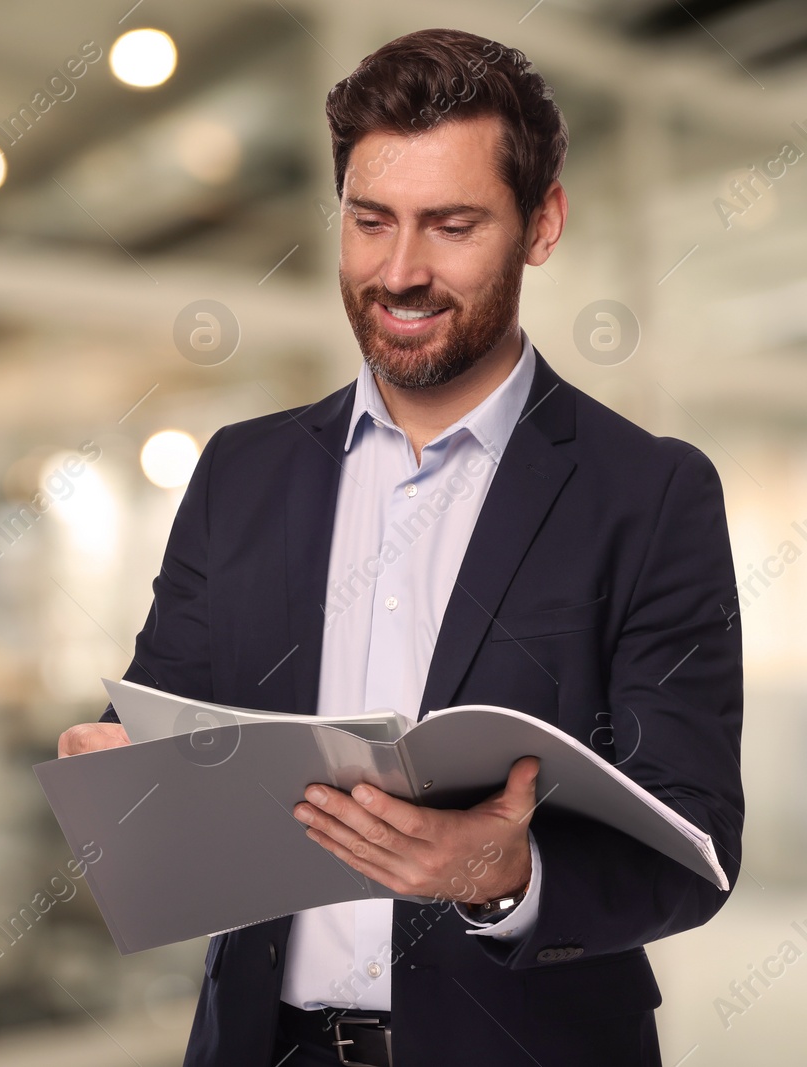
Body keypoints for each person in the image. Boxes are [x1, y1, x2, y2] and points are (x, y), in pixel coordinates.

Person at [57, 27, 743, 1067]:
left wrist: (504, 876)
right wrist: (117, 769)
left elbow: (693, 847)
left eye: (451, 225)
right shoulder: (241, 472)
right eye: (370, 221)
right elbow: (168, 710)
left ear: (540, 223)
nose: (400, 270)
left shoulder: (648, 493)